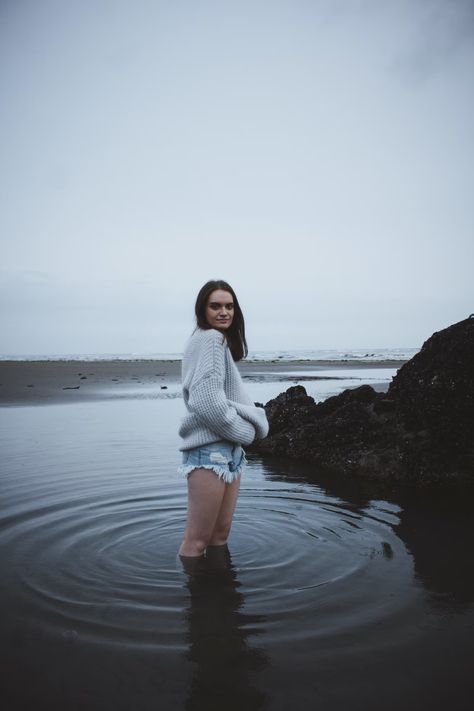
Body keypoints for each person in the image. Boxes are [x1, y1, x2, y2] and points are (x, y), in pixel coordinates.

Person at [178, 279, 269, 558]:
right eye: (215, 306)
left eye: (229, 306)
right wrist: (244, 432)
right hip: (210, 452)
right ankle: (194, 599)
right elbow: (206, 401)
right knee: (197, 541)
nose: (224, 312)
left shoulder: (212, 341)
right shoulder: (211, 339)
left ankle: (220, 595)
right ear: (202, 310)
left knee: (219, 536)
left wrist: (236, 440)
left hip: (226, 450)